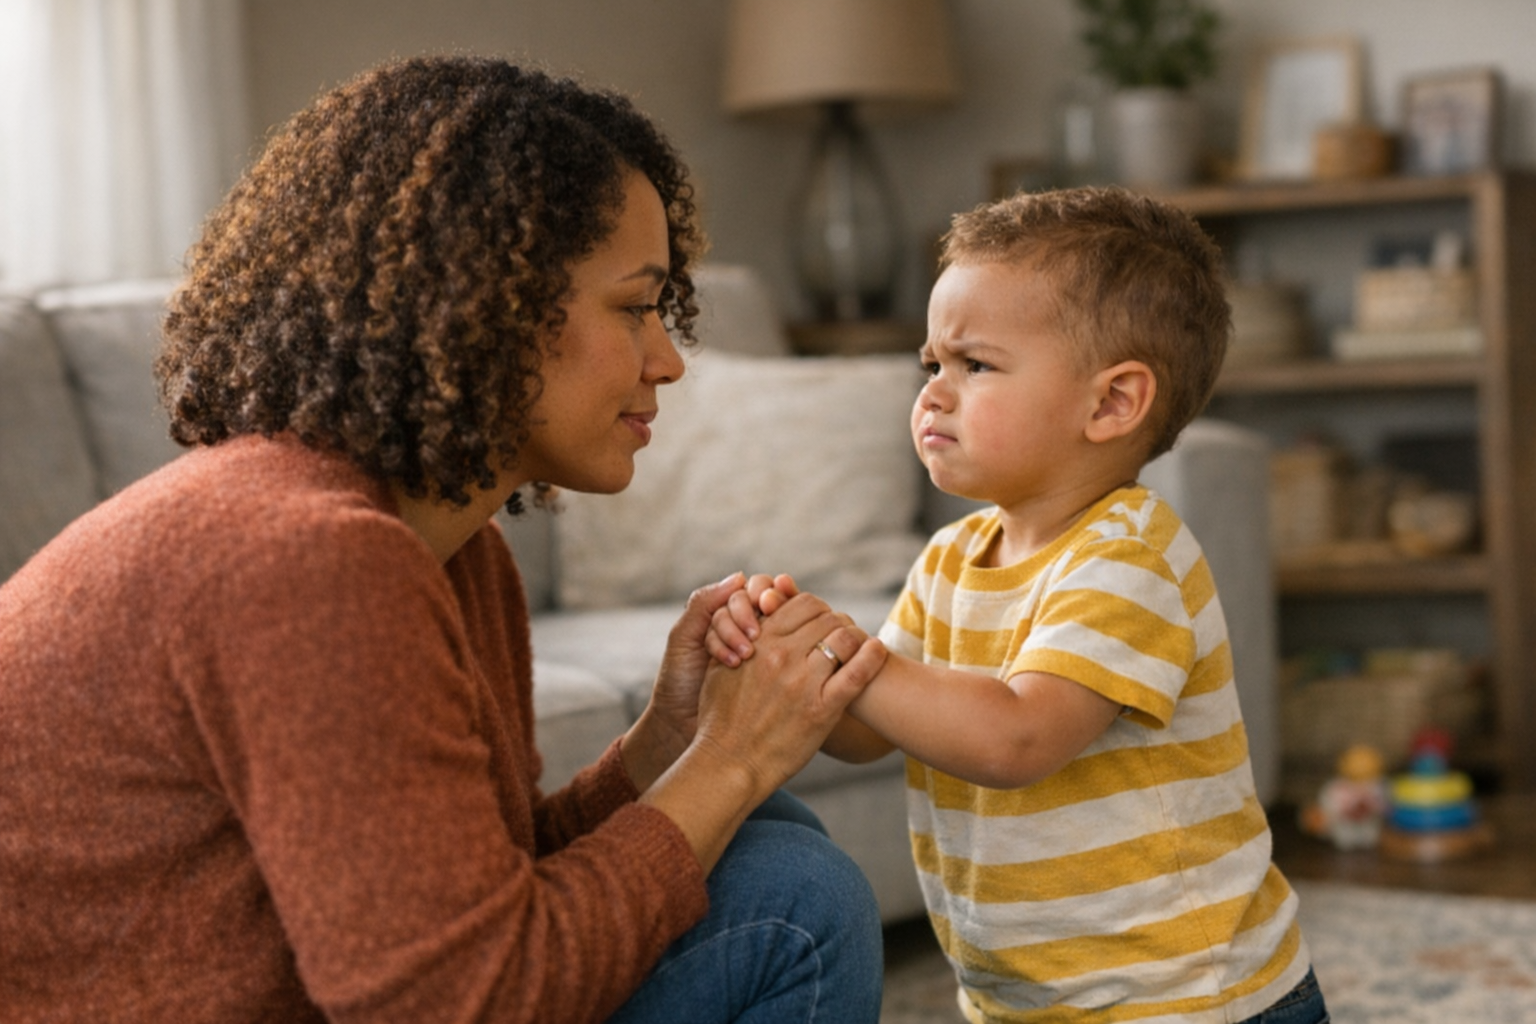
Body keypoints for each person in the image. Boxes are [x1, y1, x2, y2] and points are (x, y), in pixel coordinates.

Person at [0, 56, 888, 1024]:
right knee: (791, 902)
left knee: (764, 839)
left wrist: (666, 743)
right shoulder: (306, 563)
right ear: (485, 302)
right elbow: (461, 998)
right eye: (635, 306)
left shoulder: (453, 551)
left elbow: (475, 889)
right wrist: (734, 756)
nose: (669, 360)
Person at [712, 188, 1328, 1024]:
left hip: (1186, 997)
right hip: (1031, 998)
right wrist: (793, 645)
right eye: (933, 364)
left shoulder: (1130, 557)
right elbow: (864, 730)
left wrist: (859, 657)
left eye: (976, 365)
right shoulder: (951, 558)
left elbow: (1016, 735)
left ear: (1112, 403)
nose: (933, 392)